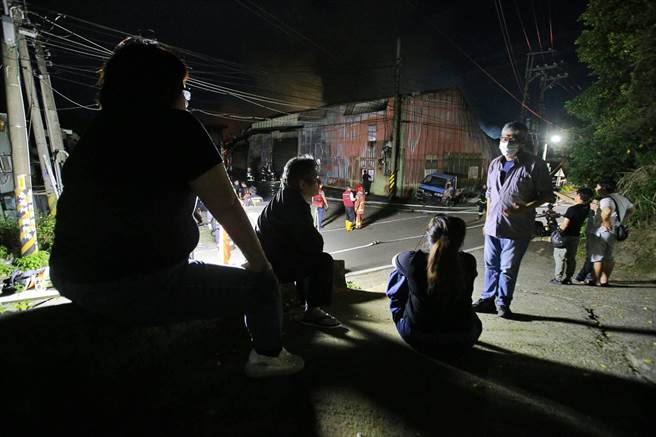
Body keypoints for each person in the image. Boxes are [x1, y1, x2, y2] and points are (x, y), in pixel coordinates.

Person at [48, 38, 303, 379]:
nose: (185, 97)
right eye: (183, 88)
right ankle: (269, 358)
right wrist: (261, 265)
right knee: (262, 286)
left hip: (71, 279)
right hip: (144, 284)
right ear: (164, 88)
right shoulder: (177, 126)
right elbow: (227, 206)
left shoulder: (96, 132)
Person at [472, 121, 554, 318]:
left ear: (523, 141)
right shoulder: (495, 164)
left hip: (517, 228)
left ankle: (503, 303)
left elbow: (547, 195)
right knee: (491, 265)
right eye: (504, 137)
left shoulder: (536, 165)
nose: (507, 142)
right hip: (493, 227)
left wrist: (525, 208)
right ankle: (487, 300)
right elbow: (491, 195)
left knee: (508, 267)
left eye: (512, 138)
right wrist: (486, 222)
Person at [256, 156, 340, 328]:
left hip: (268, 258)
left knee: (305, 253)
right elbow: (314, 243)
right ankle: (312, 311)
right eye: (316, 179)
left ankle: (304, 303)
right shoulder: (295, 206)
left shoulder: (284, 196)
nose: (319, 182)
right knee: (322, 261)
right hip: (273, 266)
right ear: (302, 184)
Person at [386, 214, 482, 359]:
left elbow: (395, 259)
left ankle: (409, 315)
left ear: (429, 236)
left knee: (398, 272)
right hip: (464, 338)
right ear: (460, 240)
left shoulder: (413, 261)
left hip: (420, 338)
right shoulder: (469, 261)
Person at [588, 180, 635, 286]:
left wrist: (605, 221)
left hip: (603, 231)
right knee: (609, 257)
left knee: (598, 257)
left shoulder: (606, 199)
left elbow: (607, 210)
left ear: (603, 188)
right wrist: (622, 220)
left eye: (597, 186)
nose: (596, 189)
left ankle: (595, 280)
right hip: (614, 230)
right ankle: (604, 280)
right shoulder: (622, 198)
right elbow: (632, 209)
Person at [550, 188, 593, 285]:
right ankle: (568, 278)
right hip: (575, 235)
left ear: (579, 196)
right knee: (571, 258)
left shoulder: (572, 209)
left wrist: (557, 232)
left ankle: (558, 278)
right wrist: (556, 192)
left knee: (559, 257)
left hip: (565, 236)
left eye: (576, 194)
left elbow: (565, 225)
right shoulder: (586, 207)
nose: (575, 196)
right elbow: (571, 201)